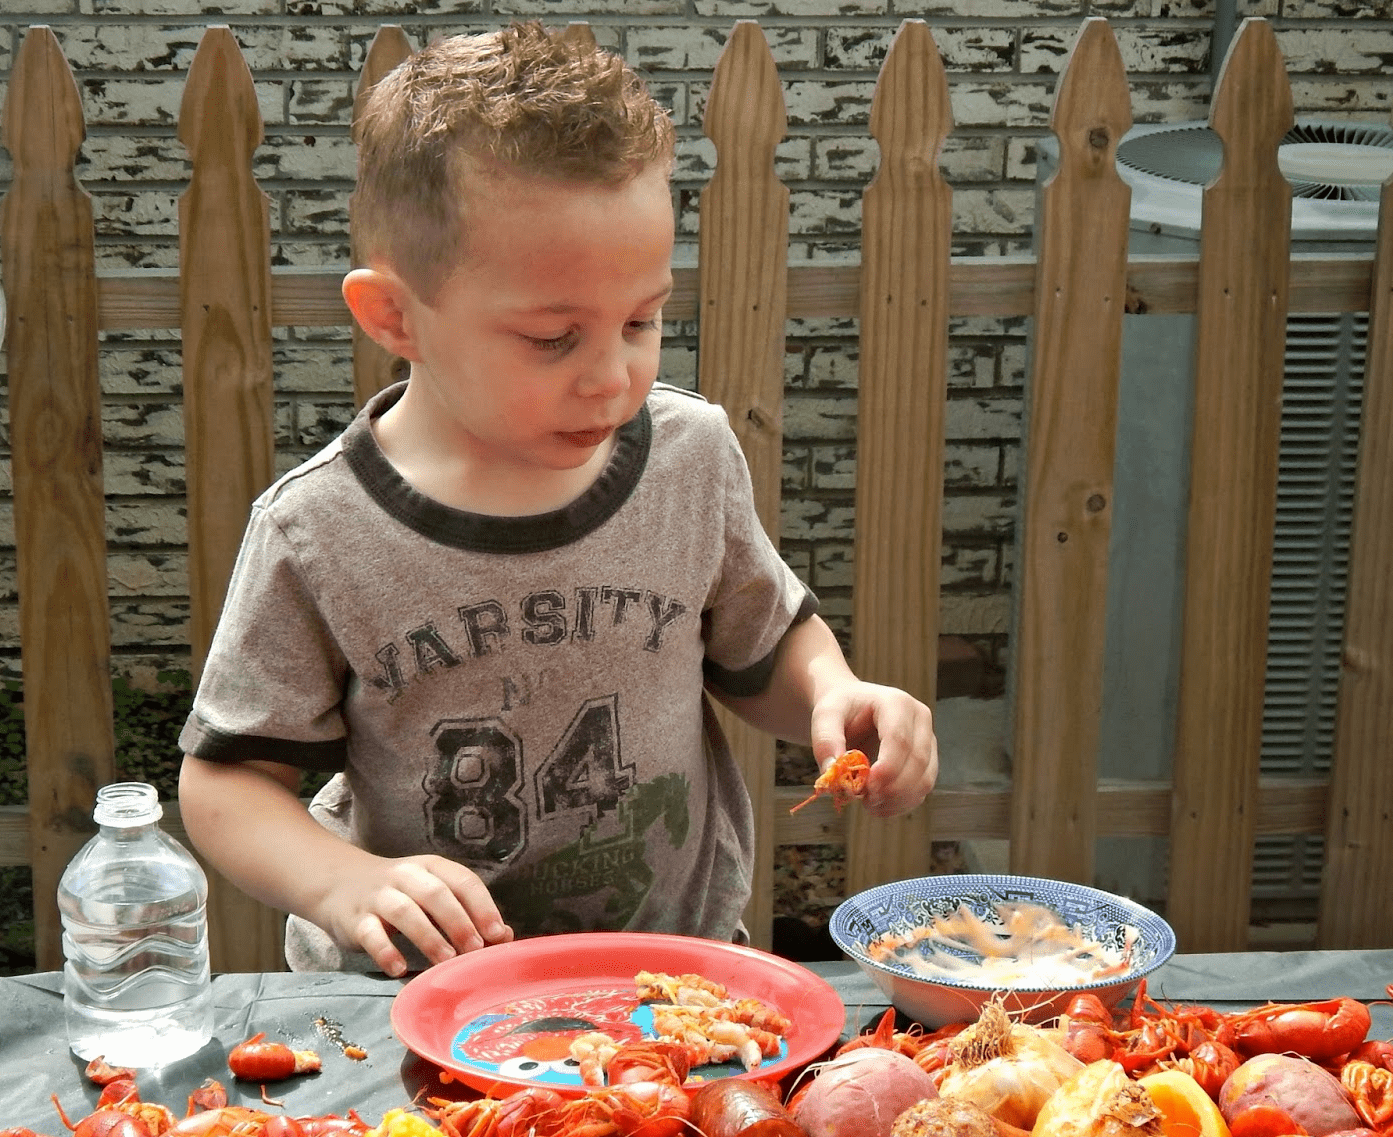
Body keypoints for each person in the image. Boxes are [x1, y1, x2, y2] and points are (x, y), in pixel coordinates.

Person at [177, 21, 938, 977]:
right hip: (421, 1003)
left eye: (641, 319)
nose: (611, 376)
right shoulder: (319, 530)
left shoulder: (689, 458)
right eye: (552, 338)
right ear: (395, 316)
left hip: (675, 983)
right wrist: (341, 882)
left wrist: (837, 696)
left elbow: (762, 645)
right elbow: (224, 781)